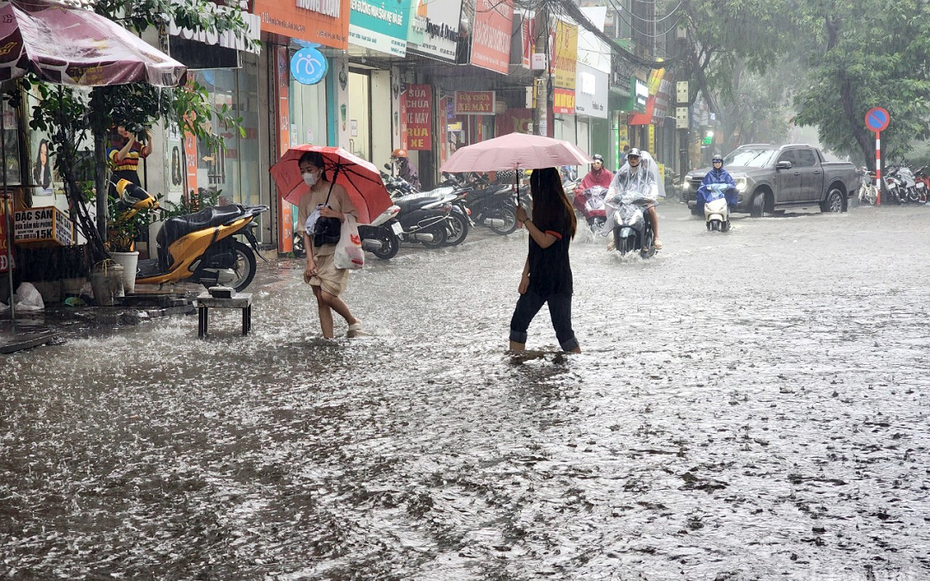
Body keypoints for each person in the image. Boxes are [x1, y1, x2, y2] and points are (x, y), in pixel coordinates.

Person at [509, 167, 581, 354]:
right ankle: (516, 366)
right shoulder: (541, 211)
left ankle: (577, 366)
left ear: (544, 186)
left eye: (534, 186)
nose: (532, 190)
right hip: (538, 278)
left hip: (557, 280)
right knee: (518, 323)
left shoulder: (559, 211)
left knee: (563, 332)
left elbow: (544, 242)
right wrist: (525, 275)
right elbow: (533, 248)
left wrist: (525, 221)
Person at [296, 151, 363, 339]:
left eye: (309, 169)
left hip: (337, 251)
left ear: (320, 170)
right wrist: (309, 261)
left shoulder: (338, 190)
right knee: (320, 299)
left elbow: (352, 216)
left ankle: (353, 321)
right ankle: (328, 340)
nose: (306, 175)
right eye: (302, 171)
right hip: (317, 254)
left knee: (327, 295)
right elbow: (305, 233)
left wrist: (335, 214)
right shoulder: (304, 199)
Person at [607, 147, 662, 249]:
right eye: (631, 157)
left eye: (635, 158)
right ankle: (615, 239)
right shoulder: (622, 175)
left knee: (650, 209)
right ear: (628, 159)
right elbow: (615, 187)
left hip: (642, 202)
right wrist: (611, 195)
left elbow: (653, 187)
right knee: (615, 212)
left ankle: (656, 238)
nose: (633, 160)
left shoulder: (647, 174)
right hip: (627, 202)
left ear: (639, 159)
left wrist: (651, 196)